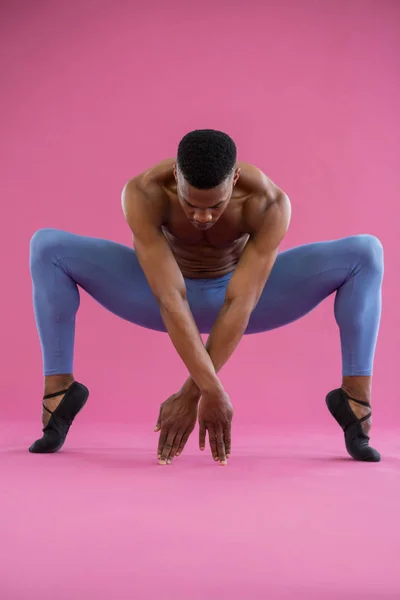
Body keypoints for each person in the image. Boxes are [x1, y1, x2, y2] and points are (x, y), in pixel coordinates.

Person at [28, 129, 384, 465]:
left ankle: (354, 401)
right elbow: (169, 296)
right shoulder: (144, 192)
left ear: (234, 180)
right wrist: (210, 388)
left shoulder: (268, 202)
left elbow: (239, 301)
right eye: (189, 203)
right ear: (176, 176)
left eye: (215, 206)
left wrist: (193, 393)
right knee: (47, 247)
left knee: (365, 253)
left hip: (245, 301)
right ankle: (60, 393)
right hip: (157, 298)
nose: (202, 216)